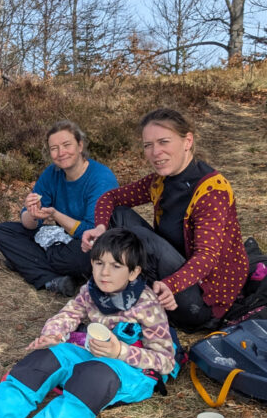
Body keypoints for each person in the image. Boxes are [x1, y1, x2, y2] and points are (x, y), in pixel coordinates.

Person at [0, 228, 175, 418]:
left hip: (130, 369)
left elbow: (165, 361)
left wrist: (120, 352)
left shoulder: (147, 305)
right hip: (90, 352)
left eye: (116, 266)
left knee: (94, 377)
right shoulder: (91, 290)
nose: (104, 272)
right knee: (43, 359)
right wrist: (52, 335)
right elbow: (69, 314)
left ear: (134, 272)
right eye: (99, 263)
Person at [81, 108, 248, 332]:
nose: (155, 152)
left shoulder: (211, 190)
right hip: (169, 275)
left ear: (187, 141)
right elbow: (109, 198)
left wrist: (171, 284)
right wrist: (100, 227)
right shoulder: (160, 181)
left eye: (163, 142)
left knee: (138, 238)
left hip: (202, 302)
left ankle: (126, 296)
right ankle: (121, 290)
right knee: (118, 215)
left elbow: (207, 257)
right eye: (148, 145)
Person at [0, 121, 117, 295]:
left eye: (67, 145)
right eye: (54, 148)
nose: (61, 153)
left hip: (95, 243)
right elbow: (27, 222)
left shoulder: (100, 178)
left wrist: (55, 215)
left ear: (80, 146)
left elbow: (91, 232)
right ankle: (54, 278)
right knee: (3, 231)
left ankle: (28, 263)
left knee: (82, 258)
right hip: (62, 239)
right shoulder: (53, 173)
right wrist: (32, 214)